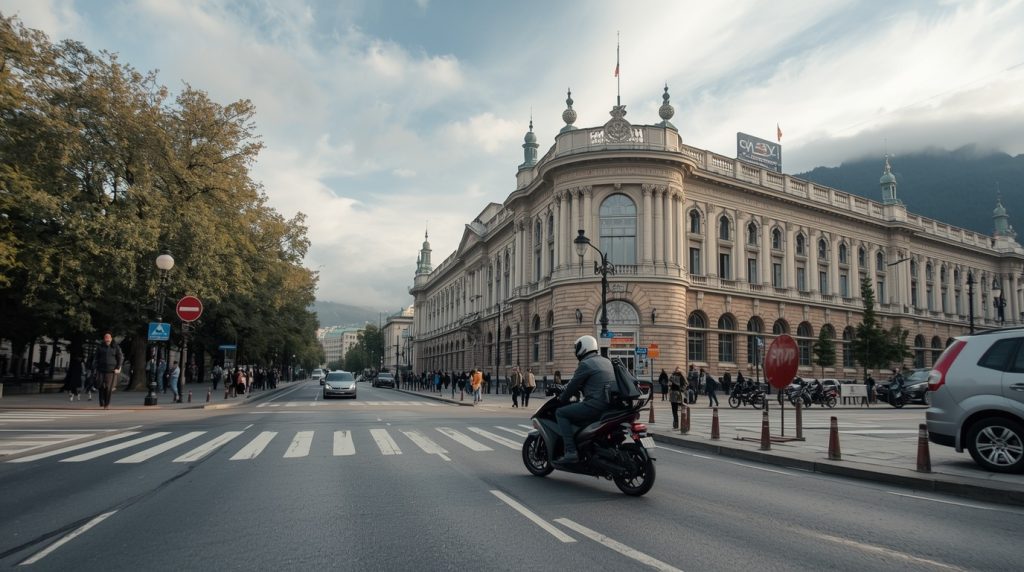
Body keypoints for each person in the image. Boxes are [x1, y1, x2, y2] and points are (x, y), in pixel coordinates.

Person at [554, 335, 615, 463]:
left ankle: (570, 451)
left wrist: (562, 398)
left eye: (577, 347)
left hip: (595, 405)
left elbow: (572, 386)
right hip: (610, 405)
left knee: (561, 413)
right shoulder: (606, 361)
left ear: (583, 348)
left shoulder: (586, 364)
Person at [92, 332, 123, 410]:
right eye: (106, 337)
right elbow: (96, 358)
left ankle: (107, 404)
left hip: (111, 371)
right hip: (101, 370)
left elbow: (120, 358)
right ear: (104, 339)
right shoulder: (100, 347)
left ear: (111, 339)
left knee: (108, 388)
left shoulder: (115, 347)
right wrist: (94, 367)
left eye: (109, 338)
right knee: (101, 386)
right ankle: (102, 402)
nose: (107, 339)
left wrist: (118, 367)